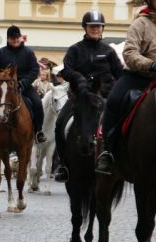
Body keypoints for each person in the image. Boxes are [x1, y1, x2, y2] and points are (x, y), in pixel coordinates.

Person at [96, 0, 156, 175]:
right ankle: (108, 152)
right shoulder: (139, 24)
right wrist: (152, 65)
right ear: (150, 0)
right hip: (140, 76)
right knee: (114, 100)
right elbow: (130, 54)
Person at [53, 10, 124, 182]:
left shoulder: (108, 51)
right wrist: (78, 77)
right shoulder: (75, 50)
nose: (95, 29)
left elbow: (120, 73)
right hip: (80, 99)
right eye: (92, 26)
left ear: (102, 29)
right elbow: (66, 70)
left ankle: (119, 161)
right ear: (85, 28)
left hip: (104, 100)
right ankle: (63, 165)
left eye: (98, 26)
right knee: (60, 123)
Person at [0, 25, 46, 144]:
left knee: (38, 103)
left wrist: (23, 83)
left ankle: (38, 131)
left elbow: (34, 70)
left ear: (20, 38)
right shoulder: (0, 53)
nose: (15, 40)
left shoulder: (28, 52)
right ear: (8, 39)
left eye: (17, 37)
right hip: (3, 86)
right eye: (12, 38)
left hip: (23, 85)